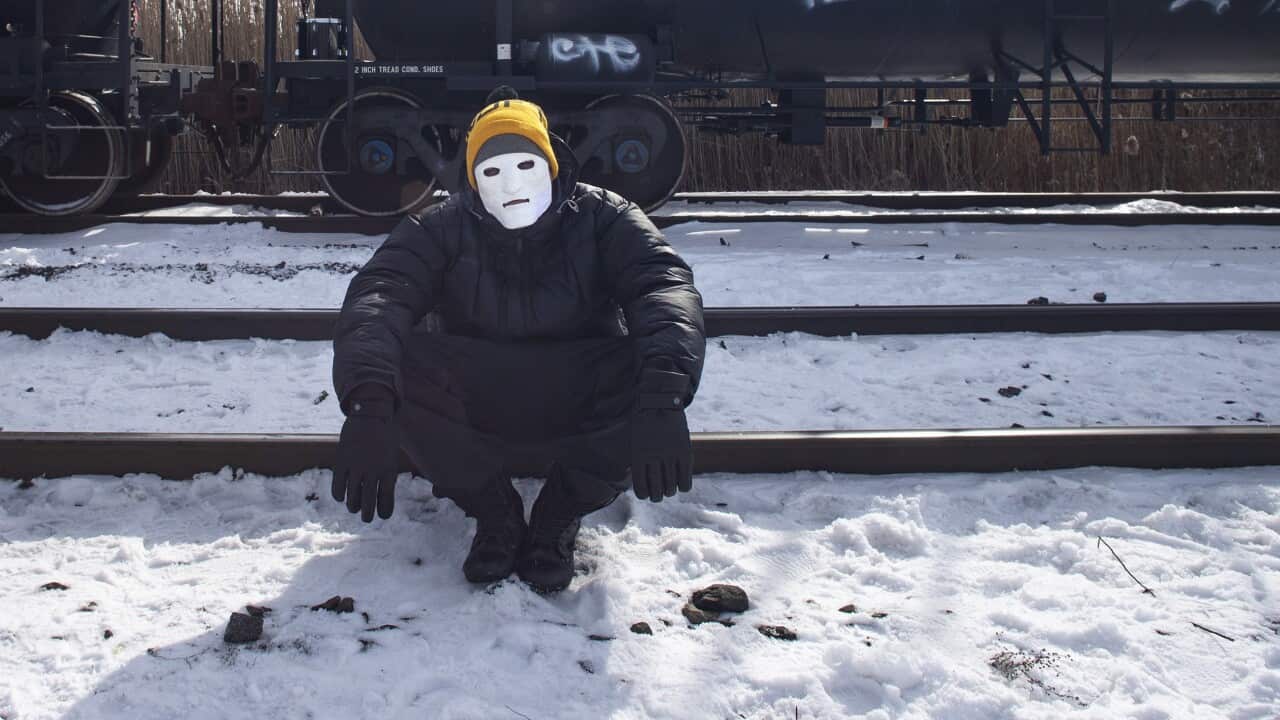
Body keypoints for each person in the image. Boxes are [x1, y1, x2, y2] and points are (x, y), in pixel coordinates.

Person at [330, 87, 706, 593]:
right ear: (472, 181)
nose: (510, 184)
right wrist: (368, 402)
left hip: (582, 389)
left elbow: (663, 286)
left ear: (550, 164)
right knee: (398, 361)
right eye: (491, 170)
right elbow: (379, 296)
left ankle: (559, 511)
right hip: (478, 393)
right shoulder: (440, 227)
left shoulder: (606, 215)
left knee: (650, 358)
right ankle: (495, 511)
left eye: (525, 165)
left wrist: (664, 394)